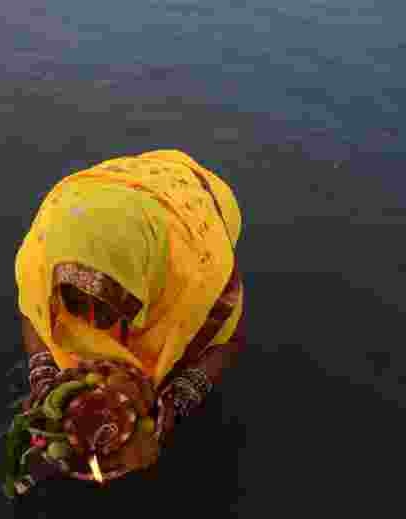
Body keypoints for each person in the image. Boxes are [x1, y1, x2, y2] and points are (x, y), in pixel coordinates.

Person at [15, 149, 247, 449]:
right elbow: (32, 308)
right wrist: (43, 373)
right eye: (75, 299)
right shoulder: (44, 255)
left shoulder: (200, 273)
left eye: (107, 305)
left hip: (190, 208)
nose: (92, 322)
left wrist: (176, 400)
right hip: (99, 205)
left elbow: (228, 339)